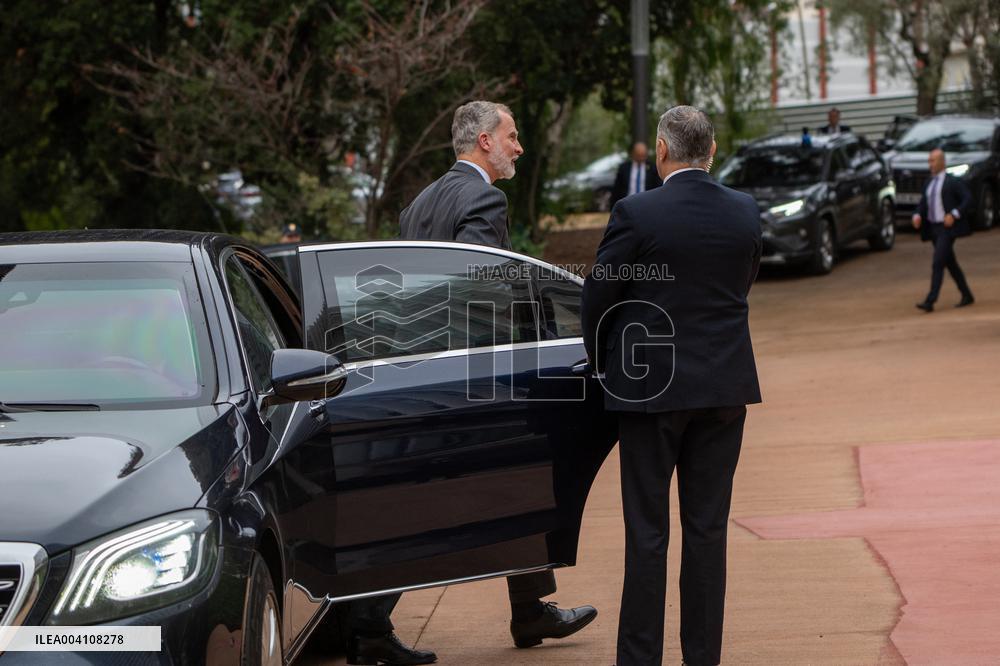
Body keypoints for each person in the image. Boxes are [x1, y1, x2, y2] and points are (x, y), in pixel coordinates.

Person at [373, 100, 596, 658]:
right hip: (470, 376)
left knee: (509, 487)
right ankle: (366, 622)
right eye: (512, 136)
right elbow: (482, 287)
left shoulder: (420, 203)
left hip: (422, 369)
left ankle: (528, 611)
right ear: (484, 143)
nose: (519, 146)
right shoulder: (484, 197)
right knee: (437, 503)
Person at [581, 105, 761, 666]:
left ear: (661, 150)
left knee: (648, 533)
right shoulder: (745, 211)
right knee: (707, 531)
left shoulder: (637, 212)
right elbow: (741, 283)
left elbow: (597, 297)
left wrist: (600, 361)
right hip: (724, 388)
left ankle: (641, 659)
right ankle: (701, 657)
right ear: (712, 150)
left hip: (649, 390)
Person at [912, 148, 974, 312]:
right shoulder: (929, 183)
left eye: (933, 160)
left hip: (947, 229)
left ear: (942, 162)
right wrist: (917, 215)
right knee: (950, 263)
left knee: (938, 262)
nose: (930, 164)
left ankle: (930, 300)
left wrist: (954, 214)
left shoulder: (952, 181)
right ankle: (967, 294)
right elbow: (923, 204)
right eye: (929, 161)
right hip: (934, 228)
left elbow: (968, 198)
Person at [611, 142, 660, 207]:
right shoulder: (624, 168)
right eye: (639, 156)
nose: (641, 158)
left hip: (646, 204)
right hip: (627, 204)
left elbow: (657, 188)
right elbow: (616, 190)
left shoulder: (652, 168)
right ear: (633, 154)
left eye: (643, 156)